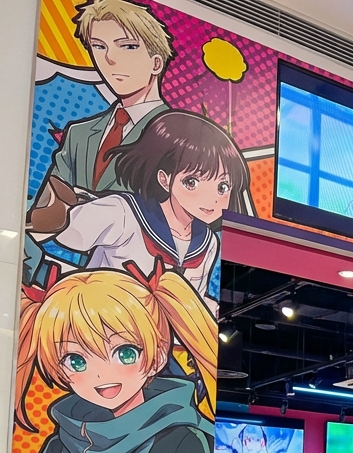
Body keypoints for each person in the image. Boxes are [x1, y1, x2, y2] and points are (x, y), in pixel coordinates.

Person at [8, 266, 215, 453]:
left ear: (157, 354)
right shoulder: (64, 443)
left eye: (125, 353)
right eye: (76, 360)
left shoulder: (182, 441)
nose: (102, 375)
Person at [47, 110, 249, 304]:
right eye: (192, 182)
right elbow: (55, 252)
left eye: (222, 187)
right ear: (164, 178)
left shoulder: (208, 242)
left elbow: (191, 303)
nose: (211, 199)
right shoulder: (121, 212)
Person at [38, 0, 172, 197]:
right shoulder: (78, 134)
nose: (110, 58)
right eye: (99, 46)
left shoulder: (178, 138)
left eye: (128, 46)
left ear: (156, 63)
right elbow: (45, 210)